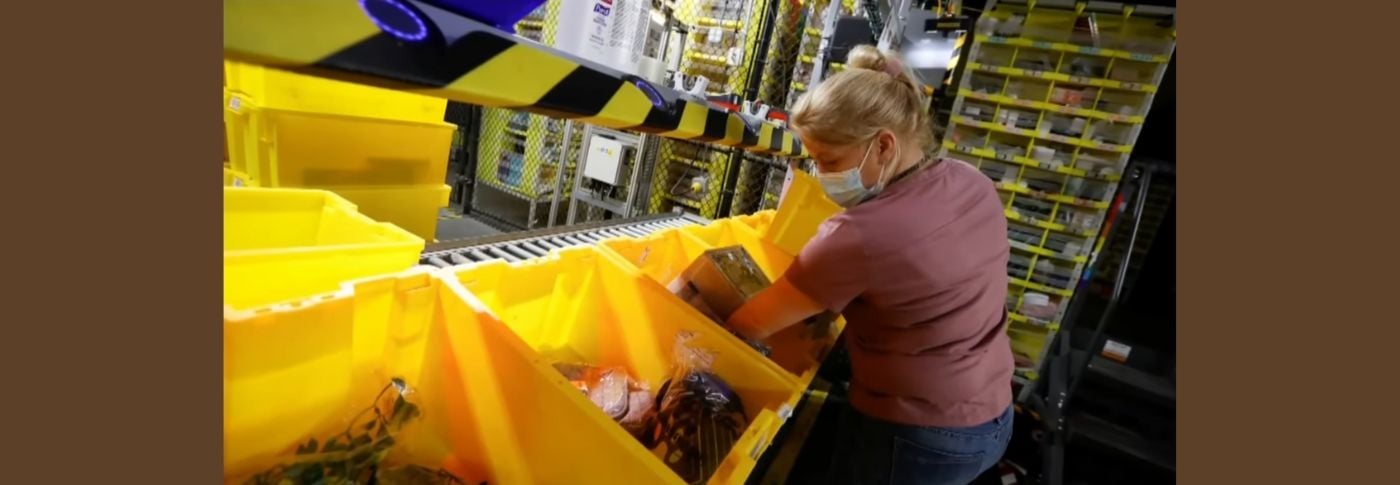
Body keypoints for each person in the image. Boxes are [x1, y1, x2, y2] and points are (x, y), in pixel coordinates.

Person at [726, 45, 1014, 485]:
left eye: (829, 161)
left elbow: (751, 323)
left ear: (883, 145)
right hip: (992, 417)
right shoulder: (971, 182)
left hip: (918, 438)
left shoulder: (859, 234)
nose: (820, 175)